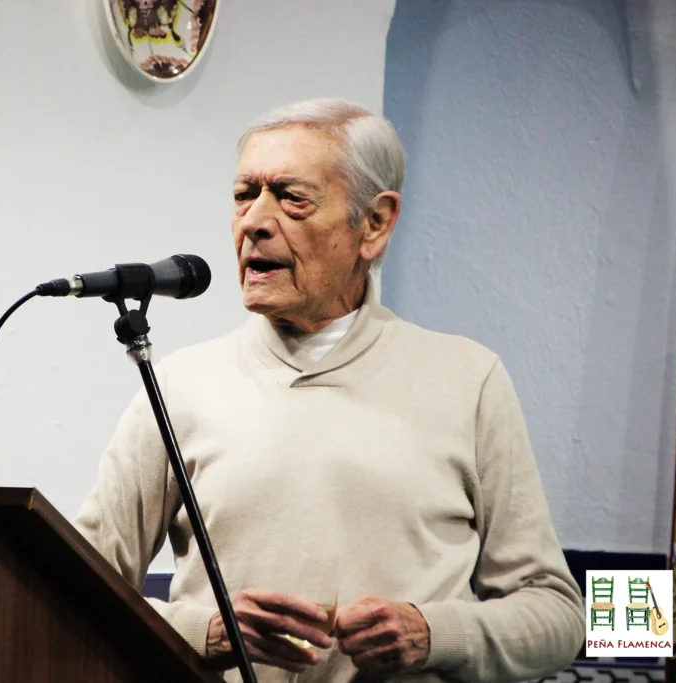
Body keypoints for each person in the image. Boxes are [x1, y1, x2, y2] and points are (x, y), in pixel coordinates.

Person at [73, 98, 585, 683]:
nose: (255, 222)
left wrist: (434, 634)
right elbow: (76, 592)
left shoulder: (468, 379)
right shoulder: (177, 387)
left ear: (375, 223)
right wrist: (206, 633)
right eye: (245, 195)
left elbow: (557, 616)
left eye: (292, 198)